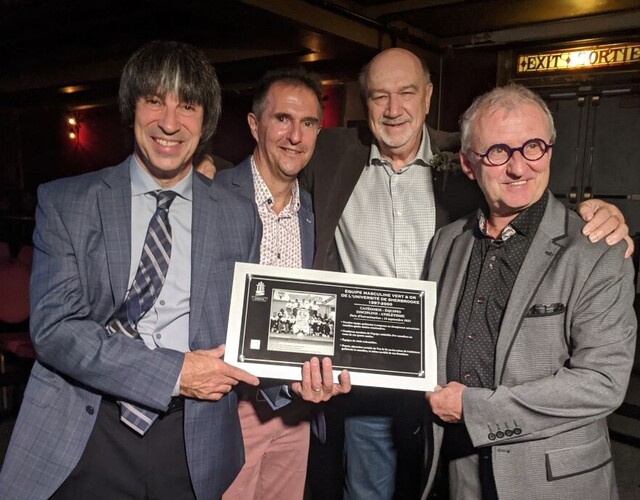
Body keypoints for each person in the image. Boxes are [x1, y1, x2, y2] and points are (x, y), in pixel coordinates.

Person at [301, 47, 634, 500]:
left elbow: (523, 191)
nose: (394, 108)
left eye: (407, 92)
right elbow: (272, 156)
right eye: (380, 96)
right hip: (378, 390)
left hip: (521, 454)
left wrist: (597, 214)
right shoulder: (332, 155)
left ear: (428, 96)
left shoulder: (585, 245)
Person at [0, 40, 318, 500]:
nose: (169, 123)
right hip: (89, 428)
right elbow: (56, 331)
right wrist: (172, 374)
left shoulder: (237, 214)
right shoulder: (68, 202)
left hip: (193, 437)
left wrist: (294, 382)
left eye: (187, 106)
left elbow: (245, 331)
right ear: (132, 109)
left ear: (206, 119)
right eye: (154, 101)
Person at [423, 83, 636, 500]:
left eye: (533, 146)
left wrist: (474, 409)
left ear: (550, 150)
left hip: (554, 480)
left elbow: (602, 381)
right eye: (499, 152)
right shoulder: (447, 242)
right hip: (460, 469)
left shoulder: (596, 248)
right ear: (469, 164)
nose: (519, 168)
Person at [216, 67, 351, 500]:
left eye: (308, 123)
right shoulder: (213, 195)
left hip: (298, 408)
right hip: (230, 408)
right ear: (255, 125)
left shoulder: (317, 212)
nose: (296, 135)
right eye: (282, 120)